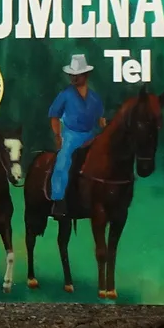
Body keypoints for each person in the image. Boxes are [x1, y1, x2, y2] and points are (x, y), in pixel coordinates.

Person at [46, 53, 106, 220]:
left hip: (91, 135)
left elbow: (101, 120)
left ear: (85, 75)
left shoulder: (95, 97)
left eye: (77, 74)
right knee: (63, 160)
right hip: (71, 135)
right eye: (72, 75)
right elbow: (54, 115)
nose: (73, 78)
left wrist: (104, 128)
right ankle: (58, 201)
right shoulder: (65, 94)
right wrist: (58, 135)